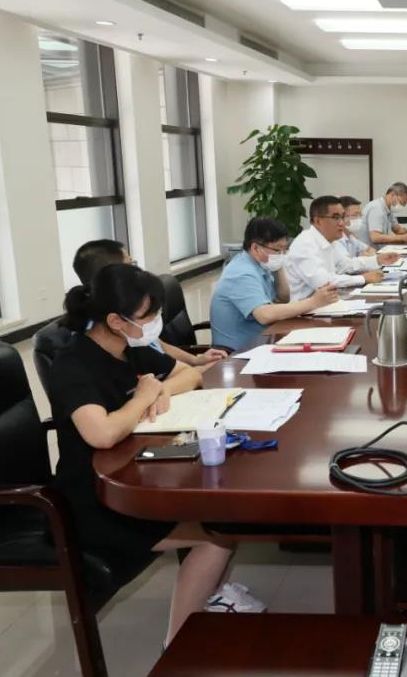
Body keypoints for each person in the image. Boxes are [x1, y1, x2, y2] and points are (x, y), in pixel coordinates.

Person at [49, 264, 266, 648]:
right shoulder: (74, 363)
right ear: (115, 320)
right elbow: (101, 433)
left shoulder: (128, 348)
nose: (155, 324)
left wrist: (159, 391)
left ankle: (209, 596)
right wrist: (143, 398)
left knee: (219, 512)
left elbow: (190, 374)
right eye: (148, 316)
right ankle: (177, 647)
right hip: (94, 498)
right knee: (217, 535)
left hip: (135, 469)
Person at [72, 240, 226, 369]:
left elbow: (160, 346)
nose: (137, 270)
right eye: (130, 264)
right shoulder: (112, 335)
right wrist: (195, 372)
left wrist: (196, 361)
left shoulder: (133, 327)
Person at [210, 217, 340, 352]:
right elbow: (265, 315)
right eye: (278, 250)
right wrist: (313, 302)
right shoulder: (241, 273)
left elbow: (283, 297)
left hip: (262, 340)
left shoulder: (260, 264)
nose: (282, 255)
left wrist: (278, 265)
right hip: (238, 351)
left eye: (284, 250)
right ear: (255, 248)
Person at [286, 196, 399, 300]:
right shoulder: (305, 244)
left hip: (327, 302)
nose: (342, 223)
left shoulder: (329, 240)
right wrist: (363, 278)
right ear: (317, 221)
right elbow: (323, 282)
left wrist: (377, 260)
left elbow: (345, 265)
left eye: (343, 217)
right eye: (336, 217)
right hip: (305, 310)